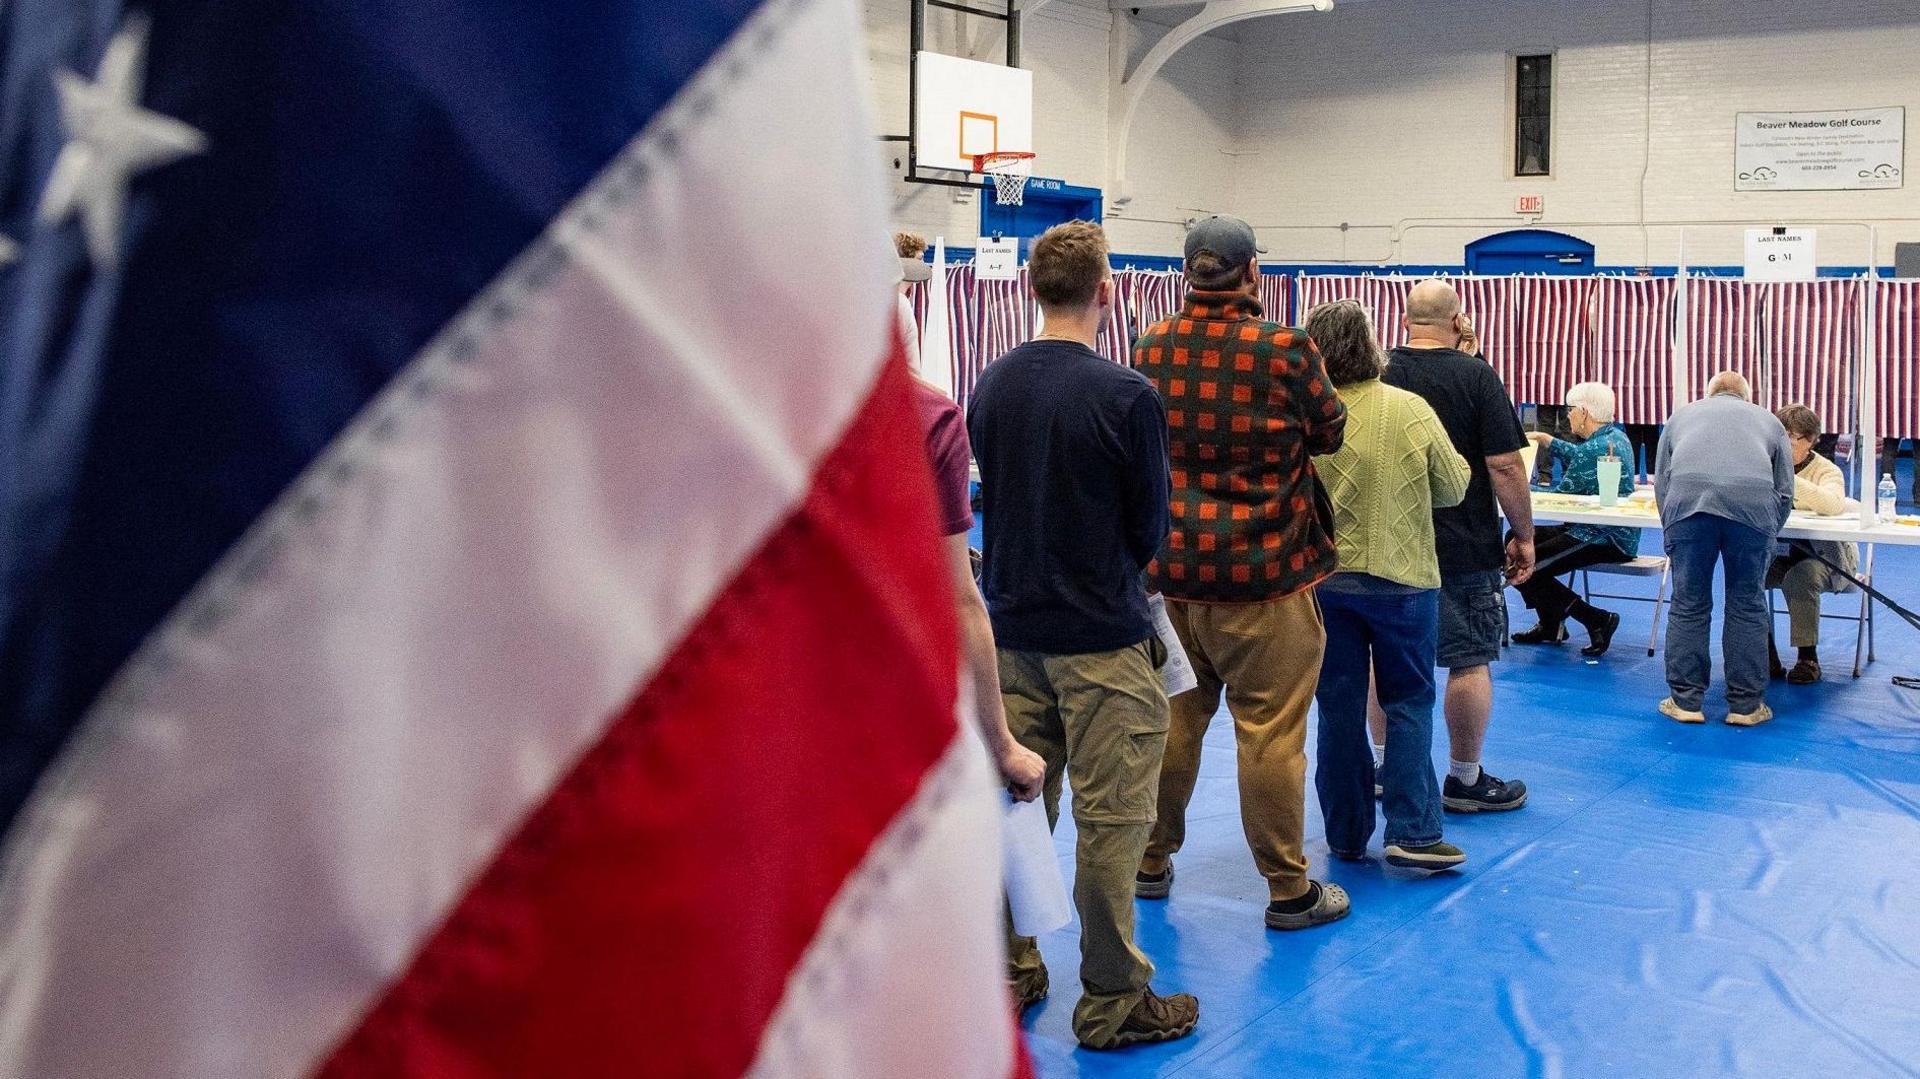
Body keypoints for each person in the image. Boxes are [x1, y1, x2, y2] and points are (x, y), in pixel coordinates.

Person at [966, 220, 1198, 1050]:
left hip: (1012, 632)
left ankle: (1006, 967)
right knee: (1113, 822)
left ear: (1034, 289)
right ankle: (1112, 998)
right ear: (1107, 291)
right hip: (1101, 640)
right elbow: (1148, 532)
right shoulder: (1128, 395)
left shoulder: (990, 384)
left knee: (1021, 809)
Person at [1131, 215, 1351, 931]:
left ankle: (1149, 861)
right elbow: (1330, 430)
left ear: (1188, 272)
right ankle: (1288, 889)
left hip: (1173, 576)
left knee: (1174, 721)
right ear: (1254, 271)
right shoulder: (1287, 347)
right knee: (1271, 732)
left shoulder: (1151, 345)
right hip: (1266, 576)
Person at [1304, 300, 1472, 869]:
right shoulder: (1409, 409)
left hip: (1325, 583)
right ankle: (1415, 832)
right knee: (1407, 701)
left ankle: (1346, 836)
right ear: (1372, 345)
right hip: (1404, 581)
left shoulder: (1305, 415)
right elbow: (1453, 487)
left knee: (1339, 707)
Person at [1376, 279, 1534, 814]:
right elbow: (1506, 465)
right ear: (1458, 320)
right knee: (1468, 660)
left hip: (1387, 541)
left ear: (1404, 320)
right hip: (1463, 542)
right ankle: (1464, 778)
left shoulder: (1380, 374)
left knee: (1382, 659)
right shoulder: (1476, 376)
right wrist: (1526, 535)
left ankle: (1382, 766)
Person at [1653, 371, 1795, 726]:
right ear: (1746, 396)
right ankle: (1746, 707)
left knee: (1688, 602)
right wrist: (1768, 531)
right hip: (1752, 511)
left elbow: (1662, 481)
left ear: (1709, 393)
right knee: (1747, 604)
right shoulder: (1770, 421)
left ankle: (1685, 701)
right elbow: (1785, 490)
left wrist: (1672, 525)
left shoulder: (1680, 417)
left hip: (1688, 508)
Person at [1513, 382, 1637, 656]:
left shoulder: (1593, 450)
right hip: (1610, 531)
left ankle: (1595, 619)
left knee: (1525, 560)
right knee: (1516, 539)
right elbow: (1582, 455)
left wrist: (1513, 485)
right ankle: (1551, 625)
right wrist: (1550, 442)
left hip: (1600, 536)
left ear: (1583, 412)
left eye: (1570, 410)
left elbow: (1558, 497)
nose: (1567, 415)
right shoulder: (1615, 438)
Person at [1769, 405, 1859, 684]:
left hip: (1828, 558)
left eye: (1791, 436)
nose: (1784, 443)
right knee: (1743, 575)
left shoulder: (1827, 471)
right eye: (1780, 436)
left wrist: (1788, 478)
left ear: (1810, 440)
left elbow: (1832, 504)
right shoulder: (1767, 465)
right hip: (1779, 552)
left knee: (1801, 577)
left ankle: (1808, 658)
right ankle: (1762, 652)